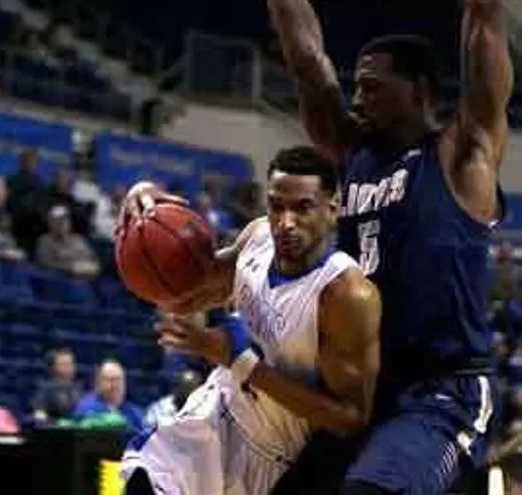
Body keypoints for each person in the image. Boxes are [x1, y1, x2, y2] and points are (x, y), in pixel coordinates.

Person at [123, 0, 513, 491]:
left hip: (440, 391)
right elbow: (308, 61)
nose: (357, 98)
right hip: (364, 389)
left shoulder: (462, 158)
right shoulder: (352, 155)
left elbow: (485, 27)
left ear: (418, 91)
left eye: (372, 87)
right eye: (356, 86)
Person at [119, 146, 382, 495]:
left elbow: (349, 420)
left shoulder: (344, 295)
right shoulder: (257, 238)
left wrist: (240, 361)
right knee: (142, 484)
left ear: (332, 209)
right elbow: (184, 297)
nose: (285, 222)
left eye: (302, 208)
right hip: (212, 412)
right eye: (276, 206)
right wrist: (142, 219)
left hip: (267, 453)